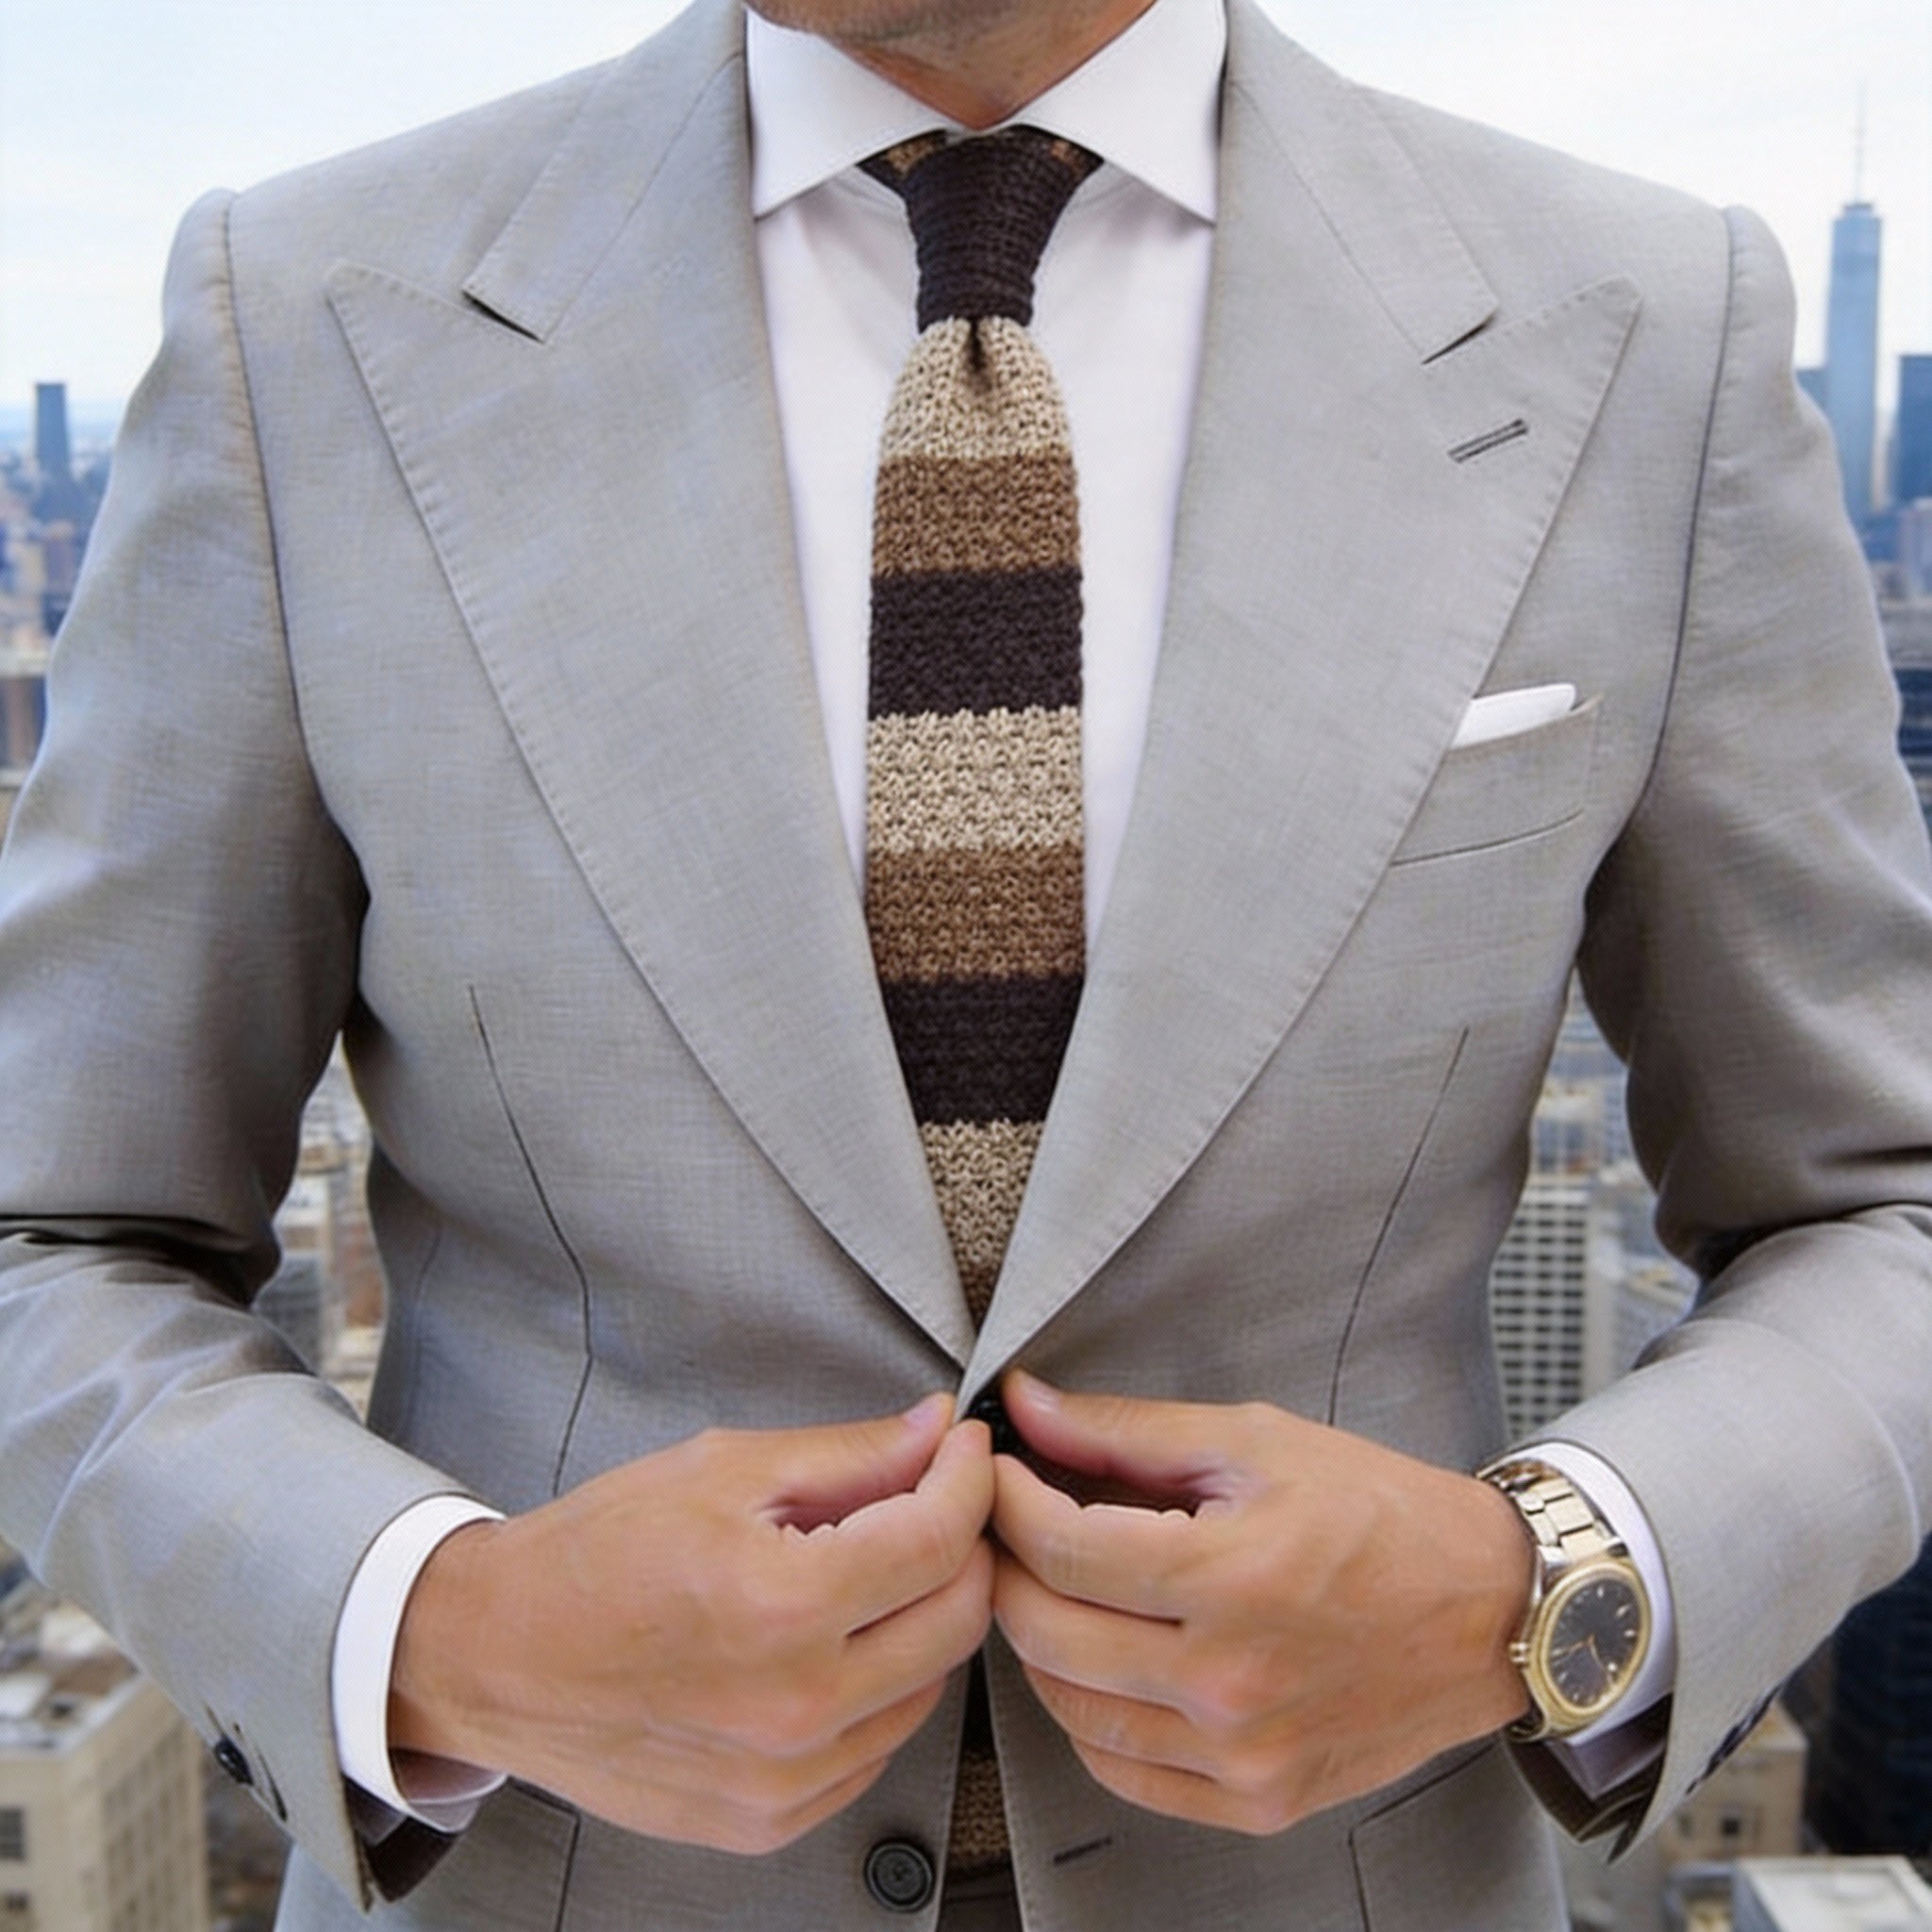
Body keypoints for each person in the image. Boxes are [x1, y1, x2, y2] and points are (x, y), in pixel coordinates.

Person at [1, 0, 1929, 1925]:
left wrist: (1539, 1590)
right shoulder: (307, 318)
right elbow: (57, 1234)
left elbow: (1880, 1206)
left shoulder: (1647, 331)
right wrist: (447, 1628)